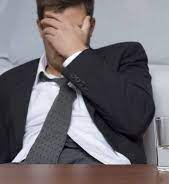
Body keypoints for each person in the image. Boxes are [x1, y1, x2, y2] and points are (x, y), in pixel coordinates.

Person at [0, 0, 155, 164]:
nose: (63, 40)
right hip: (24, 172)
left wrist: (77, 53)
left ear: (91, 26)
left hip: (103, 171)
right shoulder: (10, 81)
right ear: (40, 27)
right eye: (55, 30)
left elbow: (136, 120)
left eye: (74, 31)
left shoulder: (123, 56)